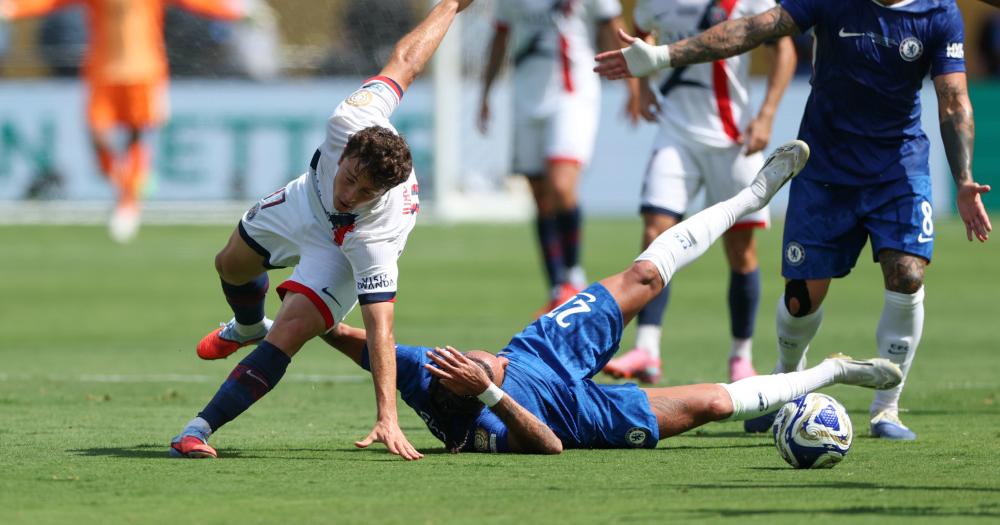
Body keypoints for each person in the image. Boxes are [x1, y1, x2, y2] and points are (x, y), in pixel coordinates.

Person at [596, 0, 992, 440]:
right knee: (803, 296)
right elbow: (754, 29)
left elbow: (953, 102)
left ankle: (886, 408)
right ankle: (783, 385)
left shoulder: (938, 13)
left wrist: (964, 178)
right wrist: (664, 57)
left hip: (898, 170)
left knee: (907, 274)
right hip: (823, 167)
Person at [321, 141, 903, 454]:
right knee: (710, 406)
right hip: (579, 419)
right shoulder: (490, 430)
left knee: (644, 277)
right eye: (468, 367)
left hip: (540, 352)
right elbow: (548, 446)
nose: (464, 357)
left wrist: (291, 318)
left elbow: (361, 339)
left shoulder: (425, 376)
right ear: (470, 393)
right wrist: (494, 390)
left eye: (465, 358)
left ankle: (751, 195)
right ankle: (831, 371)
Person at [168, 0, 502, 461]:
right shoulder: (351, 118)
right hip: (305, 199)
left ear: (382, 193)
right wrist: (454, 1)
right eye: (349, 178)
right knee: (230, 263)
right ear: (343, 153)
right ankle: (246, 325)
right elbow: (406, 60)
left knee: (293, 331)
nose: (351, 193)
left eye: (366, 191)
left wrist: (387, 415)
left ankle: (197, 430)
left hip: (345, 246)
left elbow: (381, 331)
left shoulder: (378, 237)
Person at [602, 0, 796, 387]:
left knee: (742, 253)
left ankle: (740, 356)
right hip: (676, 132)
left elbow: (785, 50)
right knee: (654, 236)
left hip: (734, 137)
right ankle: (647, 349)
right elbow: (645, 40)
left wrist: (767, 115)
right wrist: (641, 88)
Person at [0, 0, 252, 243]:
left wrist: (232, 8)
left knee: (135, 134)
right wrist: (12, 6)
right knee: (99, 134)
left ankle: (129, 202)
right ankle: (128, 184)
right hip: (103, 69)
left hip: (144, 69)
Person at [478, 0, 638, 315]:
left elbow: (610, 28)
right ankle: (557, 290)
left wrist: (634, 82)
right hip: (526, 95)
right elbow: (501, 36)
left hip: (574, 93)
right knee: (539, 195)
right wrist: (485, 93)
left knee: (562, 186)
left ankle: (573, 274)